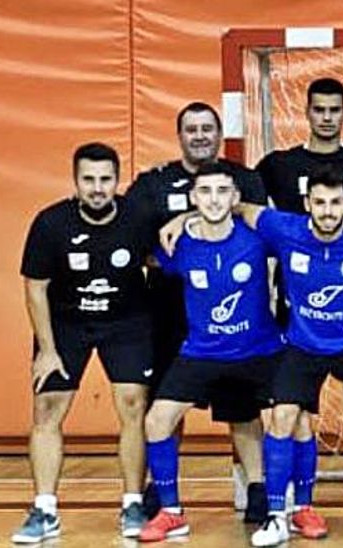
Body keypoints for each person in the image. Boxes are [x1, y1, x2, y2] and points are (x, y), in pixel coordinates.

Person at [161, 164, 343, 545]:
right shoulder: (284, 228)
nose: (328, 211)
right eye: (320, 203)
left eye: (336, 203)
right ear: (307, 204)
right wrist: (185, 217)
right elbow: (237, 207)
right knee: (284, 416)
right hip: (303, 343)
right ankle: (276, 516)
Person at [254, 77, 343, 515]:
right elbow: (243, 205)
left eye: (335, 110)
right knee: (292, 413)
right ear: (307, 112)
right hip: (296, 307)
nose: (327, 117)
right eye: (319, 109)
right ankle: (288, 502)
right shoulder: (277, 165)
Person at [126, 101, 269, 520]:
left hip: (235, 318)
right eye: (192, 129)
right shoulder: (152, 184)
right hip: (170, 313)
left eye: (208, 128)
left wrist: (187, 218)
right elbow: (140, 244)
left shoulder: (245, 179)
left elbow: (247, 220)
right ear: (180, 136)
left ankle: (256, 488)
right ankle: (162, 491)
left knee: (242, 408)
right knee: (167, 405)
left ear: (220, 134)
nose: (200, 136)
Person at [13, 143, 157, 543]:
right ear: (75, 181)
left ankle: (133, 503)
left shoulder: (139, 217)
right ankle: (44, 510)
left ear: (118, 180)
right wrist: (47, 350)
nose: (97, 188)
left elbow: (161, 258)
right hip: (67, 324)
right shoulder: (51, 223)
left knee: (133, 406)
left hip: (127, 322)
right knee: (47, 409)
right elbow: (35, 288)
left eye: (105, 179)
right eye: (88, 179)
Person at [136, 164, 283, 541]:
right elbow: (145, 257)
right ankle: (171, 512)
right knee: (156, 421)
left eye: (222, 191)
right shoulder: (177, 244)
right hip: (202, 351)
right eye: (205, 191)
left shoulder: (257, 237)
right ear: (193, 198)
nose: (214, 199)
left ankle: (294, 508)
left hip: (259, 350)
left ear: (235, 197)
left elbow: (303, 234)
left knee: (294, 418)